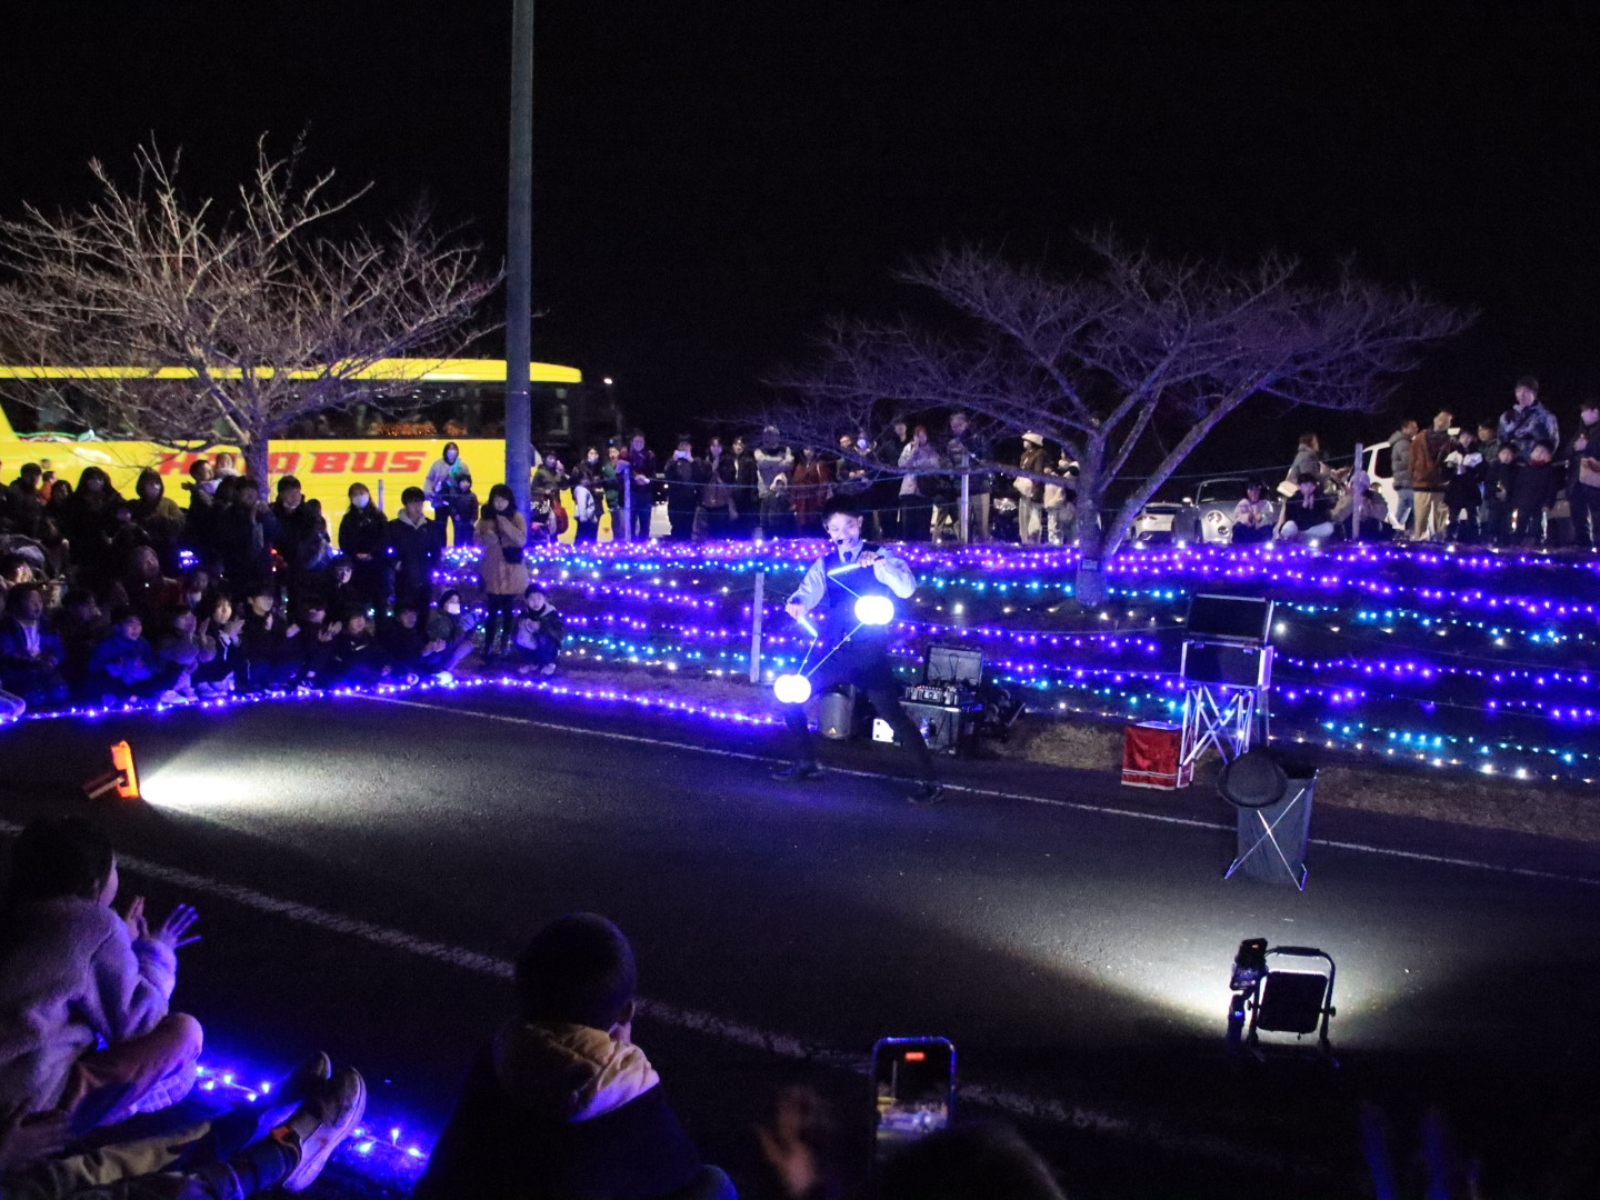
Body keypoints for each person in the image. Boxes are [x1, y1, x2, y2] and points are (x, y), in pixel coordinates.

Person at [414, 913, 730, 1200]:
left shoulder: (500, 1052)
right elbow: (680, 1170)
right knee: (713, 1184)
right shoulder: (629, 1091)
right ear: (626, 1011)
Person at [0, 817, 202, 1135]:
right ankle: (126, 1106)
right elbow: (141, 1022)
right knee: (184, 1035)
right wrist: (155, 954)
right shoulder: (93, 924)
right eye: (114, 868)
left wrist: (118, 943)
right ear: (95, 882)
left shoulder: (17, 910)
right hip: (26, 1106)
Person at [775, 498, 942, 804]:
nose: (844, 533)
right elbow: (807, 590)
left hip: (868, 653)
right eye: (836, 527)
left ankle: (930, 781)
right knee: (789, 695)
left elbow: (907, 588)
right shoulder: (825, 563)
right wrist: (798, 602)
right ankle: (806, 762)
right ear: (828, 530)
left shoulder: (880, 555)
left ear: (860, 523)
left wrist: (881, 564)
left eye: (849, 525)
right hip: (833, 650)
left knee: (894, 716)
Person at [476, 484, 529, 661]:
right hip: (491, 569)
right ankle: (488, 644)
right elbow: (475, 540)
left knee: (508, 610)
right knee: (491, 610)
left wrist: (505, 525)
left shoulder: (516, 517)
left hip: (511, 570)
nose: (499, 503)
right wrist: (485, 538)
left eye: (503, 499)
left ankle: (504, 644)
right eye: (496, 499)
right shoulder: (484, 519)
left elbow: (521, 540)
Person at [0, 584, 68, 709]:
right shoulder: (8, 628)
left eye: (39, 601)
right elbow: (6, 654)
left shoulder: (47, 626)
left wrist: (53, 659)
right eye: (32, 602)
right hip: (20, 673)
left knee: (59, 691)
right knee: (36, 696)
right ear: (16, 605)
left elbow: (58, 648)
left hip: (46, 670)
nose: (38, 606)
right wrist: (30, 663)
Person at [269, 476, 331, 610]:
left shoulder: (308, 514)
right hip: (275, 565)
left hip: (301, 568)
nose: (294, 497)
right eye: (290, 493)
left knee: (298, 605)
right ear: (281, 494)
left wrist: (298, 560)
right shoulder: (272, 512)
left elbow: (312, 541)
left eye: (297, 493)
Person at [86, 611, 165, 703]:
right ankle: (127, 698)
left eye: (139, 624)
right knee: (97, 682)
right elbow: (93, 666)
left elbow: (152, 663)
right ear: (117, 627)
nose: (136, 628)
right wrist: (114, 663)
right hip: (116, 681)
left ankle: (137, 697)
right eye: (130, 624)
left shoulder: (142, 643)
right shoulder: (108, 644)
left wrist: (144, 664)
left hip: (136, 680)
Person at [337, 481, 390, 613]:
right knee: (357, 605)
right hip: (357, 569)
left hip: (377, 567)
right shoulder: (348, 519)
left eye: (362, 493)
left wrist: (373, 554)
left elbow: (386, 538)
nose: (359, 497)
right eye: (355, 494)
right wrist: (355, 554)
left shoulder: (379, 517)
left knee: (380, 606)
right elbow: (343, 541)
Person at [386, 487, 440, 614]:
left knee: (423, 615)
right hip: (403, 581)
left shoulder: (430, 526)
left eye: (420, 502)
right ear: (406, 504)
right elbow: (386, 550)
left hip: (425, 580)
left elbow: (436, 550)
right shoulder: (393, 527)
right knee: (405, 614)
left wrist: (432, 568)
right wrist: (397, 564)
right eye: (413, 502)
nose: (417, 506)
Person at [128, 470, 185, 578]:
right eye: (149, 483)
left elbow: (180, 523)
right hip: (143, 551)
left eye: (156, 483)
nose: (154, 486)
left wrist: (161, 520)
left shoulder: (168, 503)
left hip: (167, 550)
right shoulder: (135, 505)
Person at [944, 411, 991, 541]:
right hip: (961, 488)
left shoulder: (978, 439)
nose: (957, 428)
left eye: (960, 424)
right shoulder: (952, 444)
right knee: (963, 522)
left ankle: (983, 551)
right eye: (954, 426)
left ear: (966, 423)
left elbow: (986, 461)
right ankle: (964, 552)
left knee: (981, 523)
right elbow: (948, 463)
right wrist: (953, 477)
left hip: (979, 487)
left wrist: (972, 457)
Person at [1408, 409, 1454, 541]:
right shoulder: (1420, 438)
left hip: (1441, 484)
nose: (1442, 422)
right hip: (1421, 483)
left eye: (1446, 421)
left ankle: (1439, 541)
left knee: (1440, 518)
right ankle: (1419, 540)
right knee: (1421, 517)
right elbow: (1412, 459)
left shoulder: (1450, 441)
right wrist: (1415, 475)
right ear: (1434, 419)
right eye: (1440, 419)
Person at [1497, 374, 1559, 464]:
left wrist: (1541, 452)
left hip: (1534, 465)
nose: (1521, 395)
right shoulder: (1506, 416)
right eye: (1518, 391)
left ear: (1534, 394)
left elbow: (1552, 442)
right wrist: (1505, 450)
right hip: (1512, 465)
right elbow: (1501, 440)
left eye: (1526, 391)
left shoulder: (1545, 417)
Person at [425, 441, 476, 548]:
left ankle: (458, 550)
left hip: (457, 502)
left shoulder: (462, 466)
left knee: (459, 529)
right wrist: (429, 492)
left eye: (454, 450)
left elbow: (467, 481)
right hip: (441, 500)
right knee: (440, 527)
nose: (452, 452)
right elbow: (429, 479)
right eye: (449, 450)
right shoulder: (437, 464)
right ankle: (440, 550)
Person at [1564, 398, 1600, 549]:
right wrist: (1574, 447)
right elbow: (1566, 451)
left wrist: (1589, 446)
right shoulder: (1581, 431)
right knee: (1578, 512)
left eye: (1586, 411)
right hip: (1576, 478)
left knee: (1597, 512)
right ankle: (1582, 542)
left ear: (1596, 411)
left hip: (1595, 477)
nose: (1583, 415)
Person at [896, 426, 942, 544]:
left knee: (923, 524)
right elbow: (901, 465)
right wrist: (913, 452)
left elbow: (935, 466)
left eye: (922, 435)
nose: (920, 438)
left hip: (925, 491)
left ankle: (923, 550)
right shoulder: (909, 447)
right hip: (909, 490)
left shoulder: (931, 450)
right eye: (917, 436)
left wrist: (919, 464)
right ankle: (908, 548)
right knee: (908, 524)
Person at [1511, 441, 1561, 545]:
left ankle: (1537, 543)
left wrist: (1548, 504)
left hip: (1539, 505)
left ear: (1549, 456)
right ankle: (1517, 543)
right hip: (1523, 503)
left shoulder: (1550, 470)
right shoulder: (1525, 469)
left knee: (1537, 525)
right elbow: (1518, 486)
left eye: (1543, 452)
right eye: (1537, 450)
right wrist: (1515, 502)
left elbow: (1552, 489)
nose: (1539, 453)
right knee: (1520, 524)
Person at [512, 583, 565, 676]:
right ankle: (532, 663)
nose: (536, 602)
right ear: (526, 600)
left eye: (539, 599)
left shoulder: (551, 614)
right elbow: (515, 630)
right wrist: (522, 626)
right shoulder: (524, 614)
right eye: (532, 599)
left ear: (544, 600)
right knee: (517, 638)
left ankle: (549, 664)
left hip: (549, 649)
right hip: (530, 645)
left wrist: (542, 626)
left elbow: (559, 634)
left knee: (542, 638)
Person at [1442, 430, 1486, 542]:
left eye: (1468, 437)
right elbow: (1444, 474)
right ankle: (1450, 537)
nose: (1465, 440)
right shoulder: (1453, 455)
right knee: (1453, 516)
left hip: (1471, 489)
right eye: (1463, 437)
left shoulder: (1478, 455)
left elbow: (1483, 474)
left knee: (1473, 515)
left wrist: (1470, 470)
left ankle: (1475, 538)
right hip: (1455, 489)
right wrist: (1449, 467)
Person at [755, 429, 794, 540]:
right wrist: (780, 461)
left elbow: (789, 463)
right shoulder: (759, 451)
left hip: (782, 491)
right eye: (768, 435)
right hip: (764, 492)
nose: (770, 438)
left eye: (773, 435)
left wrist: (771, 463)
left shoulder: (785, 450)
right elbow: (762, 462)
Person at [424, 590, 475, 676]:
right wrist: (462, 628)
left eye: (457, 602)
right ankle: (441, 670)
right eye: (451, 601)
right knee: (466, 645)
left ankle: (444, 669)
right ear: (444, 603)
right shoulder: (438, 618)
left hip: (441, 654)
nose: (455, 605)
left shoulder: (453, 619)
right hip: (433, 657)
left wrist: (468, 628)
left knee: (467, 644)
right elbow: (447, 644)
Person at [619, 432, 658, 542]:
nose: (638, 444)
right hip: (631, 492)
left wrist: (646, 480)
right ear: (632, 442)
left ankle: (643, 543)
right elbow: (622, 472)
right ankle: (631, 543)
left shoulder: (649, 455)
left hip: (645, 492)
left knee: (645, 521)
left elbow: (653, 473)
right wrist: (635, 477)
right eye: (636, 441)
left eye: (641, 441)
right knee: (631, 520)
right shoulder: (626, 455)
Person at [663, 437, 702, 542]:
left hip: (690, 499)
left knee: (688, 527)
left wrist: (692, 462)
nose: (684, 448)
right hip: (675, 499)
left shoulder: (695, 461)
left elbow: (700, 477)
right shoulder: (673, 462)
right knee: (675, 525)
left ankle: (687, 550)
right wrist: (673, 461)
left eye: (687, 445)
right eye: (681, 446)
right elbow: (668, 476)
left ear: (691, 447)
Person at [1276, 473, 1335, 542]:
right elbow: (1292, 519)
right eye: (1306, 485)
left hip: (1310, 530)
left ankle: (1313, 542)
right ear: (1299, 486)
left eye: (1311, 485)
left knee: (1329, 527)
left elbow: (1322, 518)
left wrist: (1311, 507)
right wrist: (1303, 506)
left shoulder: (1318, 498)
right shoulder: (1292, 500)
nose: (1309, 488)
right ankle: (1286, 543)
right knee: (1289, 526)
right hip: (1297, 529)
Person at [789, 446, 832, 537]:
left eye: (811, 450)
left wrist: (819, 501)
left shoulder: (819, 464)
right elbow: (794, 484)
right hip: (801, 502)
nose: (808, 452)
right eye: (806, 449)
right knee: (802, 526)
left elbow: (823, 483)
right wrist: (793, 502)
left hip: (813, 501)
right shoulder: (800, 465)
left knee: (814, 526)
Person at [1016, 433, 1049, 545]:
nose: (1024, 442)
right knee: (1023, 518)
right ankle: (1024, 542)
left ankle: (1033, 544)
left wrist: (1035, 490)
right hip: (1023, 490)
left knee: (1034, 521)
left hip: (1033, 491)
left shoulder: (1040, 454)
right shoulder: (1024, 455)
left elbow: (1038, 472)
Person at [1387, 419, 1418, 533]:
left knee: (1402, 512)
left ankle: (1392, 532)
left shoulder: (1403, 442)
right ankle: (1414, 535)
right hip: (1407, 482)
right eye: (1413, 427)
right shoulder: (1403, 443)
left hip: (1404, 483)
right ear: (1404, 429)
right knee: (1418, 510)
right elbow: (1410, 461)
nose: (1416, 429)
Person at [1482, 443, 1517, 546]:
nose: (1506, 456)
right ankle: (1491, 541)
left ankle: (1504, 543)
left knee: (1506, 524)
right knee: (1492, 522)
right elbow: (1488, 482)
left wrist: (1507, 492)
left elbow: (1517, 485)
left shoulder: (1515, 469)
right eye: (1504, 453)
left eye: (1509, 454)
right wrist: (1496, 491)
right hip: (1494, 501)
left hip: (1508, 502)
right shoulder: (1493, 467)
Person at [1042, 452, 1078, 546]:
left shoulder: (1070, 471)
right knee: (1065, 530)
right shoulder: (1061, 473)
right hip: (1065, 504)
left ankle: (1061, 547)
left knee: (1061, 529)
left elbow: (1062, 492)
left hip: (1067, 504)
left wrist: (1052, 503)